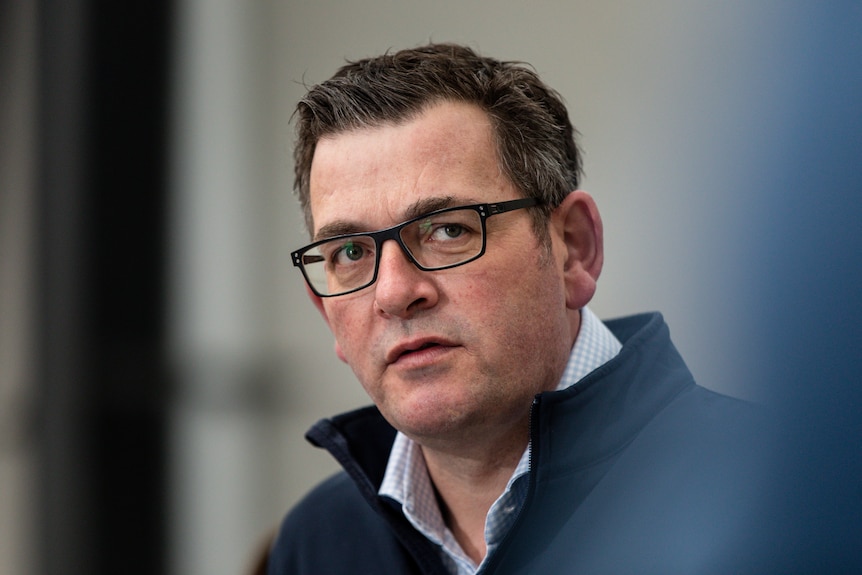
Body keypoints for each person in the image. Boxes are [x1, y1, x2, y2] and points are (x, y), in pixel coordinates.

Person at [268, 43, 776, 574]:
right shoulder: (316, 543)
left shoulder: (783, 494)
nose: (394, 293)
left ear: (573, 250)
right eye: (350, 253)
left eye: (449, 230)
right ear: (326, 311)